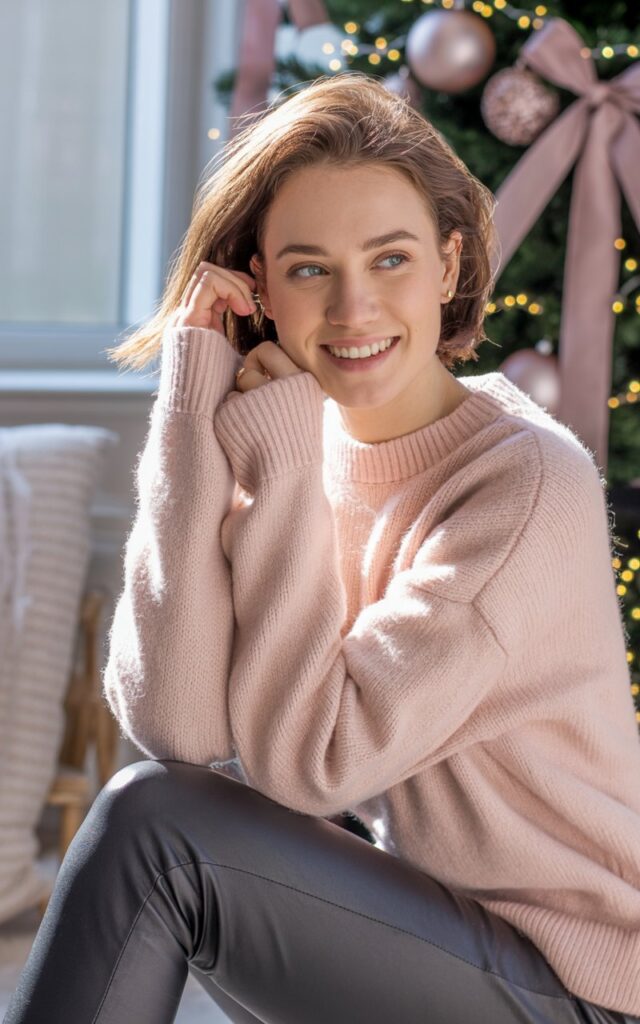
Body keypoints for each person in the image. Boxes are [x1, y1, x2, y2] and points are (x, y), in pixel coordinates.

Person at [5, 72, 640, 1024]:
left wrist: (279, 462)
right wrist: (190, 408)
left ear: (450, 264)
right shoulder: (301, 439)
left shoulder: (524, 486)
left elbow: (314, 769)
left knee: (157, 832)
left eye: (390, 260)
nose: (353, 309)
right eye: (310, 269)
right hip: (437, 925)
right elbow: (178, 729)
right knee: (157, 805)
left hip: (574, 984)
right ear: (259, 284)